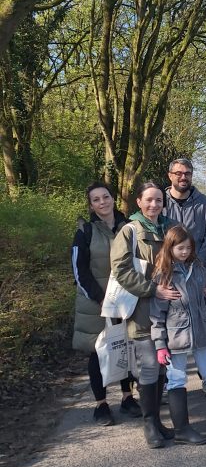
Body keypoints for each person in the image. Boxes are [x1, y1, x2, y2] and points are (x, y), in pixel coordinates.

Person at [110, 181, 180, 448]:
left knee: (162, 365)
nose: (154, 205)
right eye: (149, 200)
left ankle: (159, 422)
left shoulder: (170, 226)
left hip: (168, 310)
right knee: (149, 365)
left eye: (159, 200)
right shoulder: (129, 230)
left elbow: (183, 256)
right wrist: (152, 290)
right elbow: (121, 269)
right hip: (141, 309)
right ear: (138, 202)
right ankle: (149, 423)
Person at [149, 224, 206, 442]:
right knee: (176, 379)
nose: (184, 252)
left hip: (202, 331)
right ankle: (182, 430)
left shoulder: (199, 269)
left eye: (187, 248)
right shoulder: (163, 276)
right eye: (179, 248)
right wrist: (160, 345)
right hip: (176, 336)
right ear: (170, 248)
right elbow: (157, 314)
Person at [71, 182, 139, 425]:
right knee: (97, 352)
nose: (102, 202)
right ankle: (101, 405)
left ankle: (128, 397)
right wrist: (102, 299)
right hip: (95, 304)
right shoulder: (85, 231)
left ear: (113, 198)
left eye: (106, 197)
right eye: (96, 199)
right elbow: (79, 271)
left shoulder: (129, 226)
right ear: (91, 205)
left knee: (125, 347)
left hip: (125, 300)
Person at [164, 157, 206, 267]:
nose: (183, 177)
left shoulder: (203, 202)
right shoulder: (161, 202)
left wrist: (200, 261)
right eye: (178, 173)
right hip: (168, 268)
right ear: (170, 175)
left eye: (187, 173)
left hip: (198, 268)